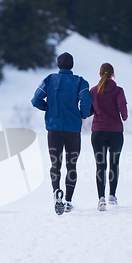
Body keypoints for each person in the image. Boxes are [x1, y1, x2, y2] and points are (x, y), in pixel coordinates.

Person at [31, 52, 92, 215]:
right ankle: (68, 201)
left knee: (55, 164)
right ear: (72, 66)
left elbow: (35, 100)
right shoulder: (80, 81)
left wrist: (49, 109)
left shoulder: (49, 79)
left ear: (58, 65)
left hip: (54, 129)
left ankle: (56, 191)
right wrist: (82, 115)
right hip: (73, 129)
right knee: (71, 165)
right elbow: (86, 101)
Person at [89, 63, 128, 211]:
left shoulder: (94, 91)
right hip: (115, 133)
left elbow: (89, 110)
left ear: (100, 75)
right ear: (113, 75)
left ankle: (101, 199)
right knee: (114, 164)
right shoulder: (118, 90)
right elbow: (122, 106)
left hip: (98, 132)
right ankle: (112, 195)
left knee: (100, 165)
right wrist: (124, 116)